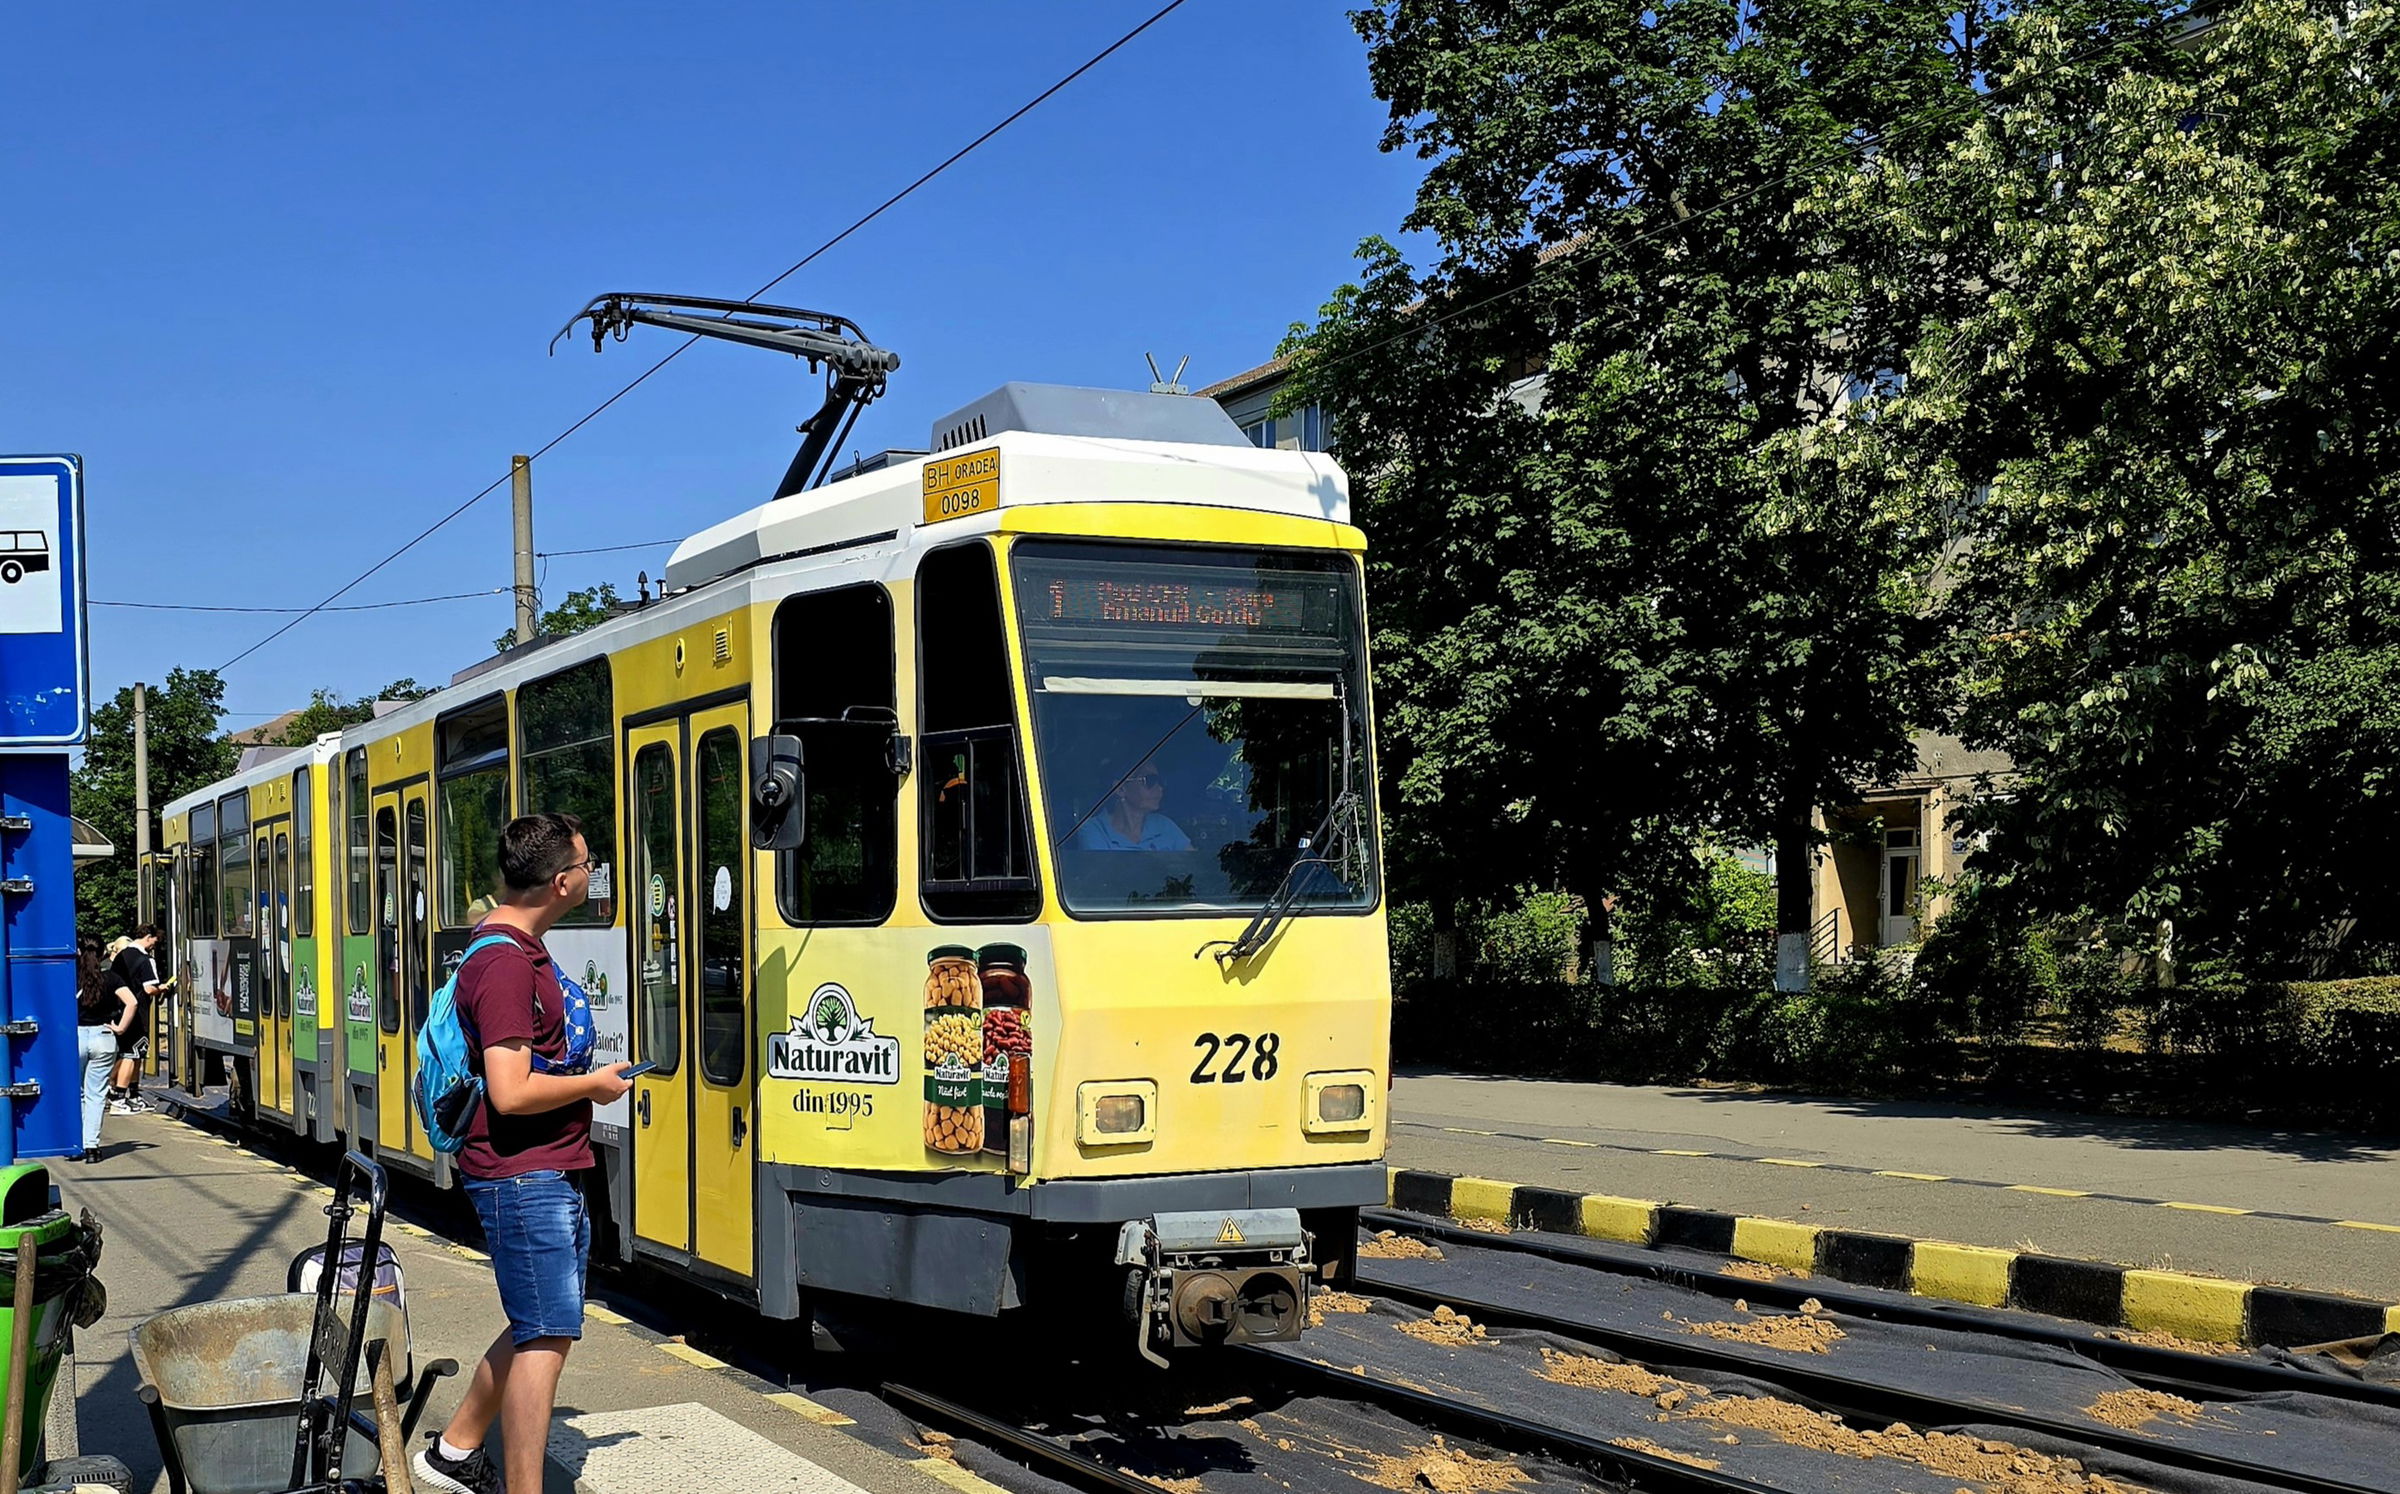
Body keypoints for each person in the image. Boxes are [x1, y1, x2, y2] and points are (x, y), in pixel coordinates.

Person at [415, 813, 634, 1494]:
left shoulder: (514, 946)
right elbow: (509, 1093)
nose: (591, 872)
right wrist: (593, 1087)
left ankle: (453, 1451)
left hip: (545, 1168)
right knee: (545, 1337)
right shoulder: (507, 964)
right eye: (587, 862)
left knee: (540, 1323)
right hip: (522, 1174)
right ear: (563, 881)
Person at [75, 939, 134, 1163]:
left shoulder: (74, 979)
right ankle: (91, 1147)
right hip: (104, 1037)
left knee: (78, 1093)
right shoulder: (111, 978)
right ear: (102, 954)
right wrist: (120, 1027)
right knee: (96, 1094)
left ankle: (77, 1144)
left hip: (77, 1037)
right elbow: (132, 1002)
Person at [106, 925, 168, 1115]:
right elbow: (149, 988)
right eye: (155, 941)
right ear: (148, 937)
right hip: (137, 1011)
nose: (155, 946)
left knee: (130, 1052)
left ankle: (132, 1095)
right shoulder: (145, 960)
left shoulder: (122, 956)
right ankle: (119, 1096)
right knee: (132, 1054)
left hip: (117, 1009)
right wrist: (163, 988)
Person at [1074, 759, 1193, 851]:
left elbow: (1194, 867)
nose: (1160, 788)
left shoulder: (1165, 826)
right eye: (1150, 780)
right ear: (1120, 789)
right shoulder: (1094, 830)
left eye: (1160, 781)